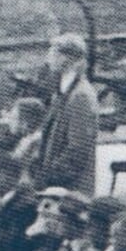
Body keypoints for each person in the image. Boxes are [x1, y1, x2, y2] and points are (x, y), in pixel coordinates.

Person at [33, 34, 99, 195]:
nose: (48, 58)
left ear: (65, 58)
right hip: (56, 187)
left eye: (53, 53)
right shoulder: (62, 92)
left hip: (70, 192)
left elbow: (78, 150)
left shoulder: (81, 95)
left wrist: (45, 178)